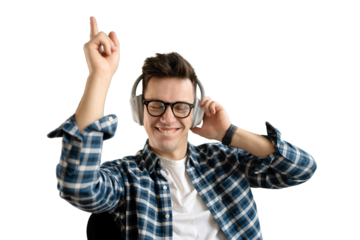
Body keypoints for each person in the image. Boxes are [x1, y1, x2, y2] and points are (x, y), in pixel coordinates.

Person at [46, 14, 318, 240]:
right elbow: (77, 187)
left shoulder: (224, 160)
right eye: (157, 105)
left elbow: (301, 169)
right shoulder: (125, 176)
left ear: (195, 112)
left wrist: (229, 133)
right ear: (140, 109)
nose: (167, 118)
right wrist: (100, 76)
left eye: (180, 107)